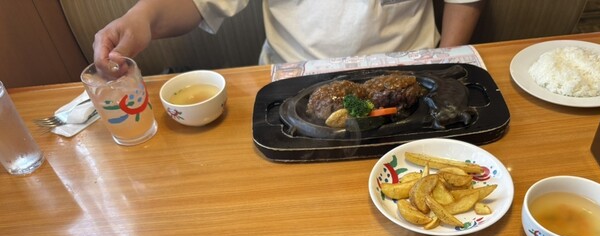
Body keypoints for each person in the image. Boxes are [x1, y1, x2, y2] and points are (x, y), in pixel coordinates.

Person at [93, 0, 485, 71]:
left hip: (410, 76)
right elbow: (197, 2)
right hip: (293, 82)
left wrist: (444, 65)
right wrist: (142, 16)